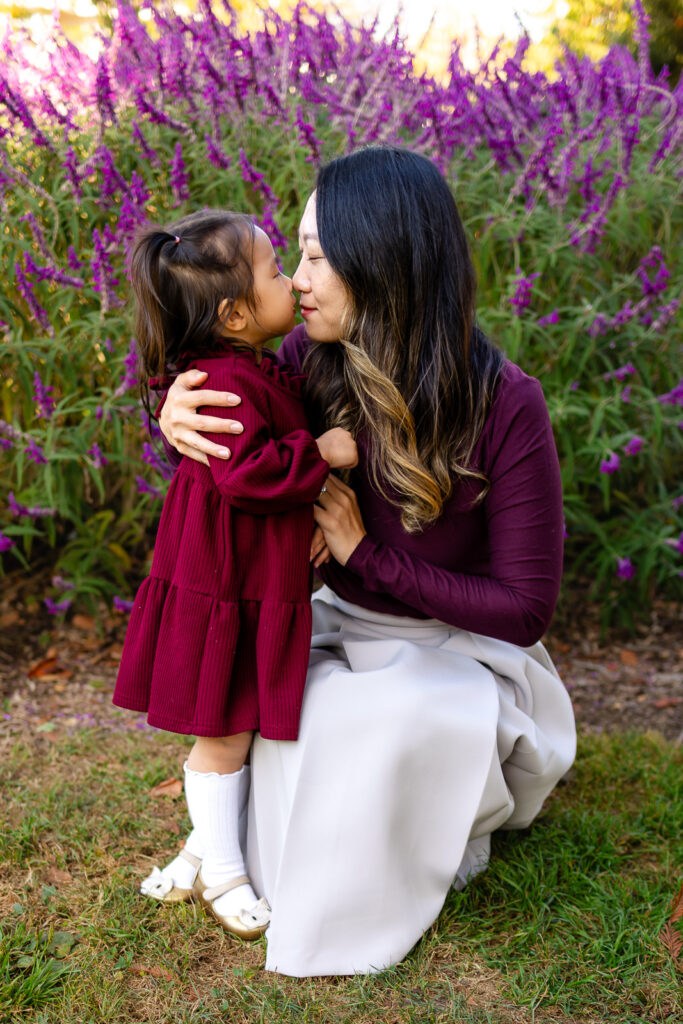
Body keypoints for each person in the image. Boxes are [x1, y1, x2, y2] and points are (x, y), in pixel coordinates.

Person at [155, 147, 576, 976]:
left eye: (314, 255)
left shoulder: (503, 403)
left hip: (453, 645)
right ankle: (266, 844)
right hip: (327, 626)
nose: (297, 279)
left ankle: (409, 837)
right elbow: (233, 453)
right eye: (296, 256)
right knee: (274, 712)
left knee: (385, 723)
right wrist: (169, 413)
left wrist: (363, 553)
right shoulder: (308, 368)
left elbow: (524, 610)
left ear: (381, 262)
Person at [112, 209, 357, 940]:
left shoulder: (250, 367)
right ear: (236, 313)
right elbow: (249, 474)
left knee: (238, 718)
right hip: (225, 581)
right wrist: (327, 454)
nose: (292, 281)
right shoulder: (222, 384)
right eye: (278, 271)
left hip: (243, 575)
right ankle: (222, 869)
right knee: (223, 728)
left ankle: (198, 852)